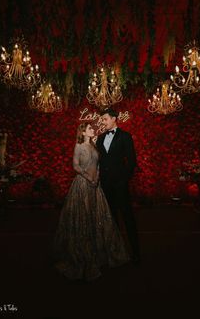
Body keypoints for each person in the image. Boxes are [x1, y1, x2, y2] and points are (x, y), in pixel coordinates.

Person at [54, 122, 129, 281]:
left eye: (91, 128)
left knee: (98, 218)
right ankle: (83, 254)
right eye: (89, 128)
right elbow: (75, 165)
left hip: (96, 185)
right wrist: (88, 177)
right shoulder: (79, 146)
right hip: (82, 185)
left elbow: (98, 164)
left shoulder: (94, 145)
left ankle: (99, 252)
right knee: (84, 217)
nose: (92, 130)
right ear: (82, 132)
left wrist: (97, 177)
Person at [96, 108, 141, 264]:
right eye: (102, 119)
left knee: (127, 218)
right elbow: (101, 162)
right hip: (105, 186)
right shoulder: (100, 138)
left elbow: (132, 162)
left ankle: (136, 253)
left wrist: (123, 181)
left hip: (120, 185)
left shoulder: (125, 137)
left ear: (114, 118)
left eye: (105, 119)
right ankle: (114, 252)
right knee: (111, 219)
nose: (103, 121)